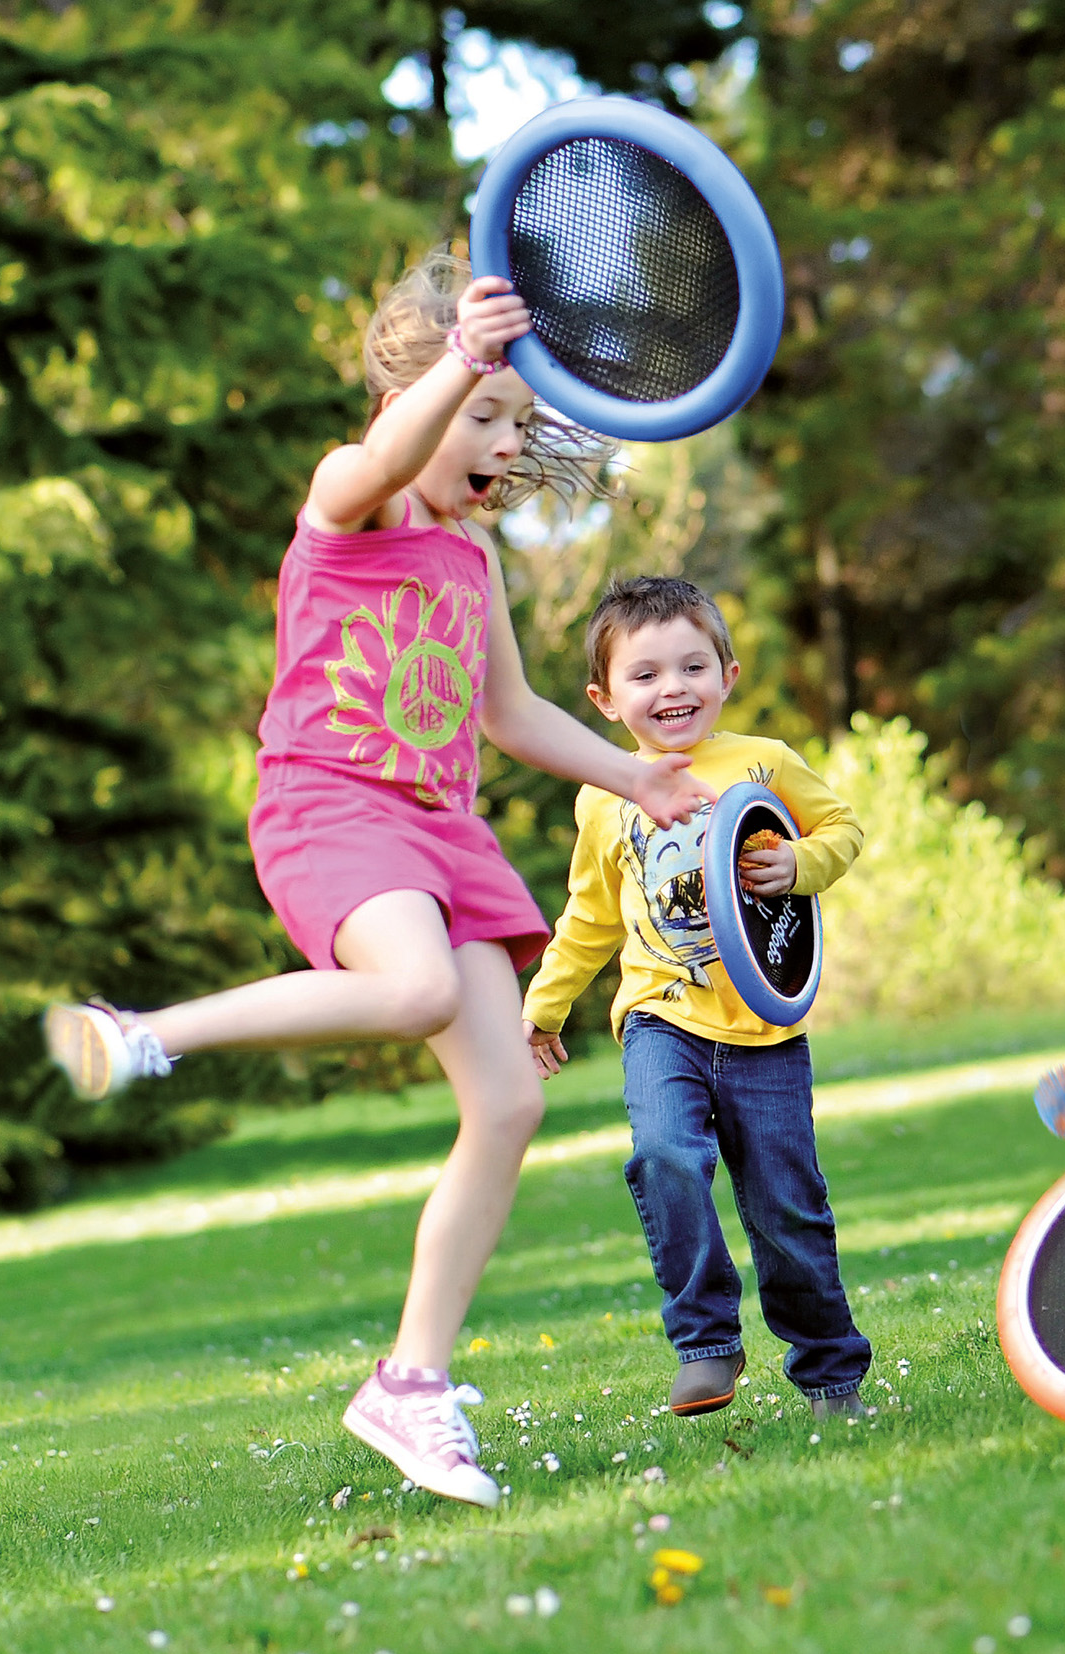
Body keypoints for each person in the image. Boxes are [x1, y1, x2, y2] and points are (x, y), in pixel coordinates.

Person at [42, 250, 712, 1506]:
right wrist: (462, 358)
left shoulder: (472, 557)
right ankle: (144, 1035)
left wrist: (640, 776)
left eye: (517, 422)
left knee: (505, 1104)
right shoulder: (347, 503)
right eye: (484, 414)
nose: (505, 445)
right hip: (329, 804)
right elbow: (378, 458)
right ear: (415, 397)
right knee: (412, 989)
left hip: (438, 829)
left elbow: (510, 712)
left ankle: (410, 1382)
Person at [522, 574, 872, 1419]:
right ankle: (707, 1344)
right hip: (661, 1020)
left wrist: (800, 864)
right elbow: (591, 916)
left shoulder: (763, 761)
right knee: (665, 1156)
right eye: (645, 675)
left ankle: (832, 1378)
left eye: (692, 667)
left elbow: (843, 828)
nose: (672, 688)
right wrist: (544, 1006)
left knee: (787, 1208)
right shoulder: (604, 794)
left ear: (727, 675)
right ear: (605, 699)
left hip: (764, 1028)